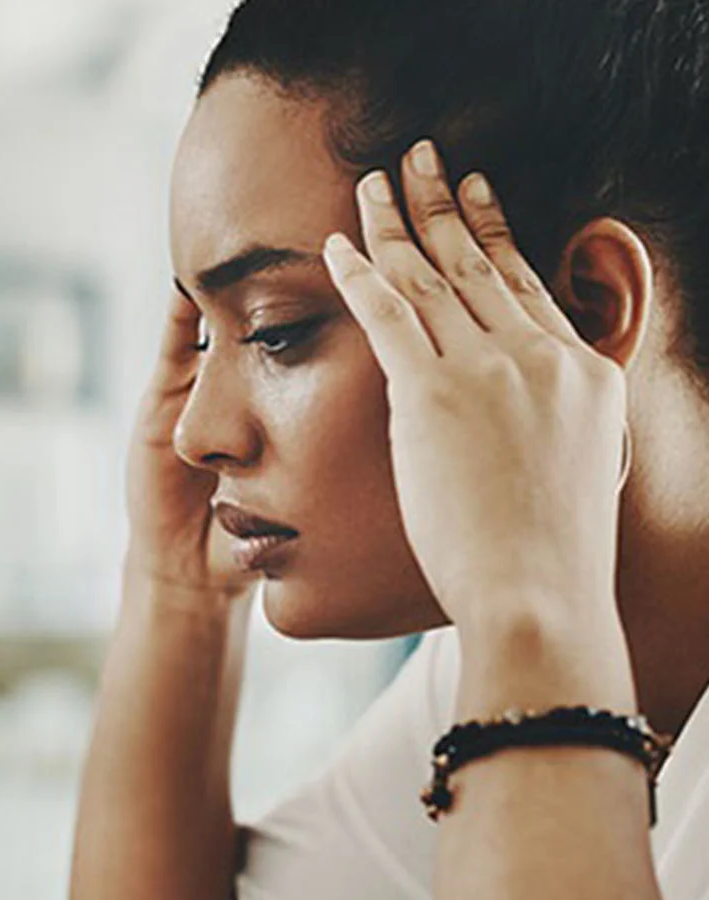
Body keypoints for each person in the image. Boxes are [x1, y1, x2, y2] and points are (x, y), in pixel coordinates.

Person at [69, 1, 709, 897]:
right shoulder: (479, 666)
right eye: (205, 336)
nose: (197, 433)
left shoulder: (523, 639)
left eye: (276, 329)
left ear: (586, 312)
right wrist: (175, 596)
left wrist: (528, 610)